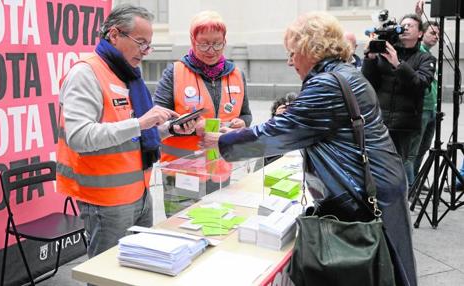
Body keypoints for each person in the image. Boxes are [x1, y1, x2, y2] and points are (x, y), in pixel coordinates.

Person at [203, 12, 417, 286]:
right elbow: (306, 121)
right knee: (388, 267)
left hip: (361, 196)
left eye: (293, 52)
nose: (290, 61)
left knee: (374, 269)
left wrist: (221, 142)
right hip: (379, 185)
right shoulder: (344, 73)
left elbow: (279, 132)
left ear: (310, 49)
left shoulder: (326, 84)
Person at [56, 4, 195, 258]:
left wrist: (169, 129)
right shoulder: (85, 73)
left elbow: (132, 135)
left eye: (148, 44)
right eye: (140, 42)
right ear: (114, 34)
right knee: (107, 276)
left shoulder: (127, 75)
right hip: (106, 201)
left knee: (139, 268)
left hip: (140, 194)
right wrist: (141, 122)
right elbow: (79, 137)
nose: (146, 51)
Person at [154, 10, 252, 216]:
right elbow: (158, 121)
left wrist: (240, 124)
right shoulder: (174, 72)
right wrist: (186, 126)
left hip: (221, 173)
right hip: (181, 175)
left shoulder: (237, 74)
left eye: (217, 43)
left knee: (217, 229)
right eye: (204, 44)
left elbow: (246, 115)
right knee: (181, 232)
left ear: (225, 41)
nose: (211, 50)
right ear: (192, 40)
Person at [362, 13, 436, 186]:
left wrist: (398, 64)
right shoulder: (384, 54)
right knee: (376, 165)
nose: (406, 28)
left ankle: (403, 202)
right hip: (380, 121)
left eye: (411, 25)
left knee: (400, 166)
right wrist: (370, 59)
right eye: (404, 25)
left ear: (420, 33)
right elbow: (369, 82)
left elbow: (420, 84)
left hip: (405, 124)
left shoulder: (425, 58)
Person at [412, 21, 439, 179]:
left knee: (423, 148)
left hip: (432, 109)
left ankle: (416, 179)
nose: (436, 37)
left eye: (438, 34)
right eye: (432, 33)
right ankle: (411, 184)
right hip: (422, 109)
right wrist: (419, 16)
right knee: (414, 150)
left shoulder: (430, 55)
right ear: (422, 34)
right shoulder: (419, 52)